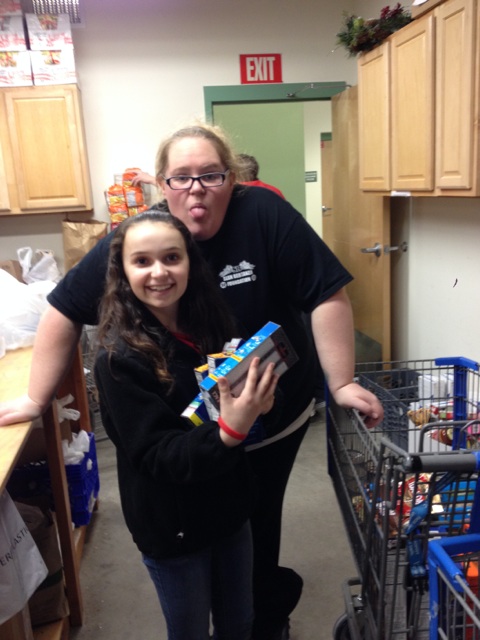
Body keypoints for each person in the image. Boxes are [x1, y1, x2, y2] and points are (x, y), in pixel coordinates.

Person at [0, 122, 383, 640]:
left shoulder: (263, 214)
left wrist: (340, 383)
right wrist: (34, 397)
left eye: (211, 175)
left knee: (253, 526)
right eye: (181, 177)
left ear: (233, 179)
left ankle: (261, 617)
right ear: (161, 184)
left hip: (275, 413)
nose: (196, 189)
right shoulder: (141, 241)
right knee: (197, 523)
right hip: (197, 429)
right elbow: (64, 308)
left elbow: (326, 292)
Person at [94, 209, 278, 639]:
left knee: (239, 623)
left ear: (190, 263)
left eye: (172, 258)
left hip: (230, 510)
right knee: (190, 631)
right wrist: (230, 431)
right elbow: (157, 454)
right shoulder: (119, 360)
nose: (159, 272)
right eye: (142, 261)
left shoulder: (212, 326)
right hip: (172, 527)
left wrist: (263, 402)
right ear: (123, 272)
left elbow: (241, 391)